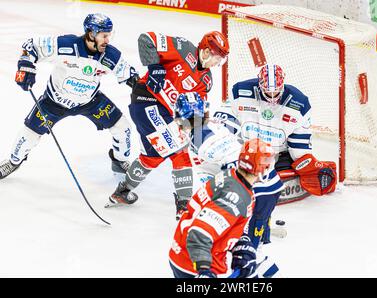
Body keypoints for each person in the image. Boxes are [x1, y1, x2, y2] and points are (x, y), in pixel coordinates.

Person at [205, 63, 337, 277]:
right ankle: (255, 240)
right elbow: (223, 124)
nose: (273, 95)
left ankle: (256, 237)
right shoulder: (241, 91)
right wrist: (229, 151)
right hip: (247, 155)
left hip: (277, 159)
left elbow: (300, 150)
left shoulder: (299, 104)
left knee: (260, 202)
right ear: (260, 85)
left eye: (277, 91)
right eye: (268, 91)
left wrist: (308, 165)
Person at [107, 30, 230, 220]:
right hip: (145, 99)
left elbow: (195, 109)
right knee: (179, 151)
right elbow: (146, 39)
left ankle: (123, 192)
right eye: (217, 58)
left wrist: (201, 128)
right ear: (206, 51)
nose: (217, 64)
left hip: (165, 113)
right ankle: (184, 206)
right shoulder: (183, 48)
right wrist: (155, 66)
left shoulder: (206, 80)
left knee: (152, 156)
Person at [0, 13, 138, 179]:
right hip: (53, 103)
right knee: (28, 134)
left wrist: (140, 87)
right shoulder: (66, 45)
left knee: (123, 128)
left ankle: (119, 160)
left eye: (109, 35)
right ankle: (14, 161)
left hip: (91, 102)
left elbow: (131, 76)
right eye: (104, 36)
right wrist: (25, 67)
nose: (108, 40)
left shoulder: (110, 55)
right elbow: (31, 46)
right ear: (91, 33)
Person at [169, 138, 275, 278]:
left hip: (183, 254)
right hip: (195, 265)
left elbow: (225, 223)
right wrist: (204, 270)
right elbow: (199, 233)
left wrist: (242, 246)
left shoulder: (231, 177)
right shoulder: (236, 197)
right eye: (267, 163)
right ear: (260, 167)